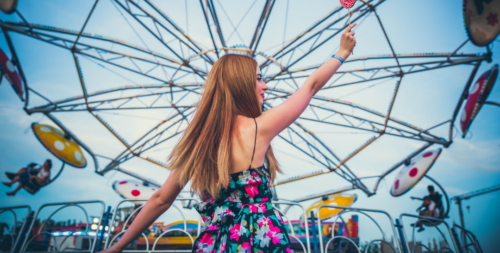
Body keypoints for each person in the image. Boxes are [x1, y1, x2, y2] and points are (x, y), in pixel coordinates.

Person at [100, 25, 357, 253]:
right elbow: (310, 86)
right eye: (258, 78)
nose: (265, 85)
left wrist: (119, 246)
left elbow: (161, 200)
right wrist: (342, 52)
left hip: (215, 242)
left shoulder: (200, 141)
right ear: (240, 84)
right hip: (261, 241)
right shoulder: (259, 128)